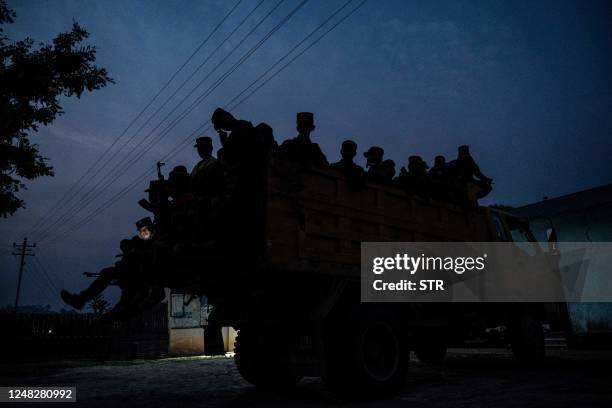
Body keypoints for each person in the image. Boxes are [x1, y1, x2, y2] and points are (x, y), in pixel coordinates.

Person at [60, 217, 159, 312]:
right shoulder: (138, 242)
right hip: (130, 275)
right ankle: (81, 300)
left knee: (128, 303)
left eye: (145, 229)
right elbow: (125, 244)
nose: (143, 233)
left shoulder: (157, 242)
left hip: (143, 277)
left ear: (151, 228)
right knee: (107, 273)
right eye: (141, 231)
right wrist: (129, 250)